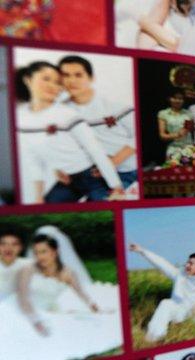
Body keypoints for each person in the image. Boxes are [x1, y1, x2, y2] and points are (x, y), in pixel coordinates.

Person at [0, 226, 122, 359]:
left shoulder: (67, 273)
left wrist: (96, 309)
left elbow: (82, 294)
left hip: (47, 311)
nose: (39, 257)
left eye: (43, 252)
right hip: (19, 308)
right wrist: (35, 319)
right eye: (36, 253)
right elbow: (22, 298)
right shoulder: (28, 269)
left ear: (55, 252)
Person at [15, 61, 125, 204]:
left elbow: (95, 150)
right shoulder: (21, 117)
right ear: (28, 80)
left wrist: (116, 186)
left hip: (93, 176)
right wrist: (38, 196)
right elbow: (33, 158)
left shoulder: (67, 115)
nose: (52, 86)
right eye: (46, 79)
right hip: (66, 180)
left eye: (57, 82)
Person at [59, 55, 138, 191]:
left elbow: (139, 137)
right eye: (66, 75)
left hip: (126, 170)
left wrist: (113, 162)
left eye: (78, 75)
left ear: (91, 78)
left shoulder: (114, 104)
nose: (72, 81)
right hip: (88, 173)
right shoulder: (61, 110)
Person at [128, 243, 195, 341]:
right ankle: (155, 338)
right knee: (166, 303)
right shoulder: (180, 275)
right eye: (187, 262)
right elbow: (162, 263)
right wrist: (141, 251)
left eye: (191, 263)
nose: (187, 265)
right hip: (179, 311)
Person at [158, 87, 194, 157]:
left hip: (189, 148)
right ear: (169, 99)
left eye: (180, 98)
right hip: (173, 148)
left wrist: (190, 128)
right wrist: (177, 134)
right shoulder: (163, 113)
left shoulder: (188, 113)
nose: (177, 101)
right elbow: (162, 135)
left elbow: (190, 130)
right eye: (174, 98)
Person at [0, 231, 30, 301]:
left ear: (21, 247)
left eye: (14, 244)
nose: (8, 248)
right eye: (3, 244)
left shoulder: (28, 264)